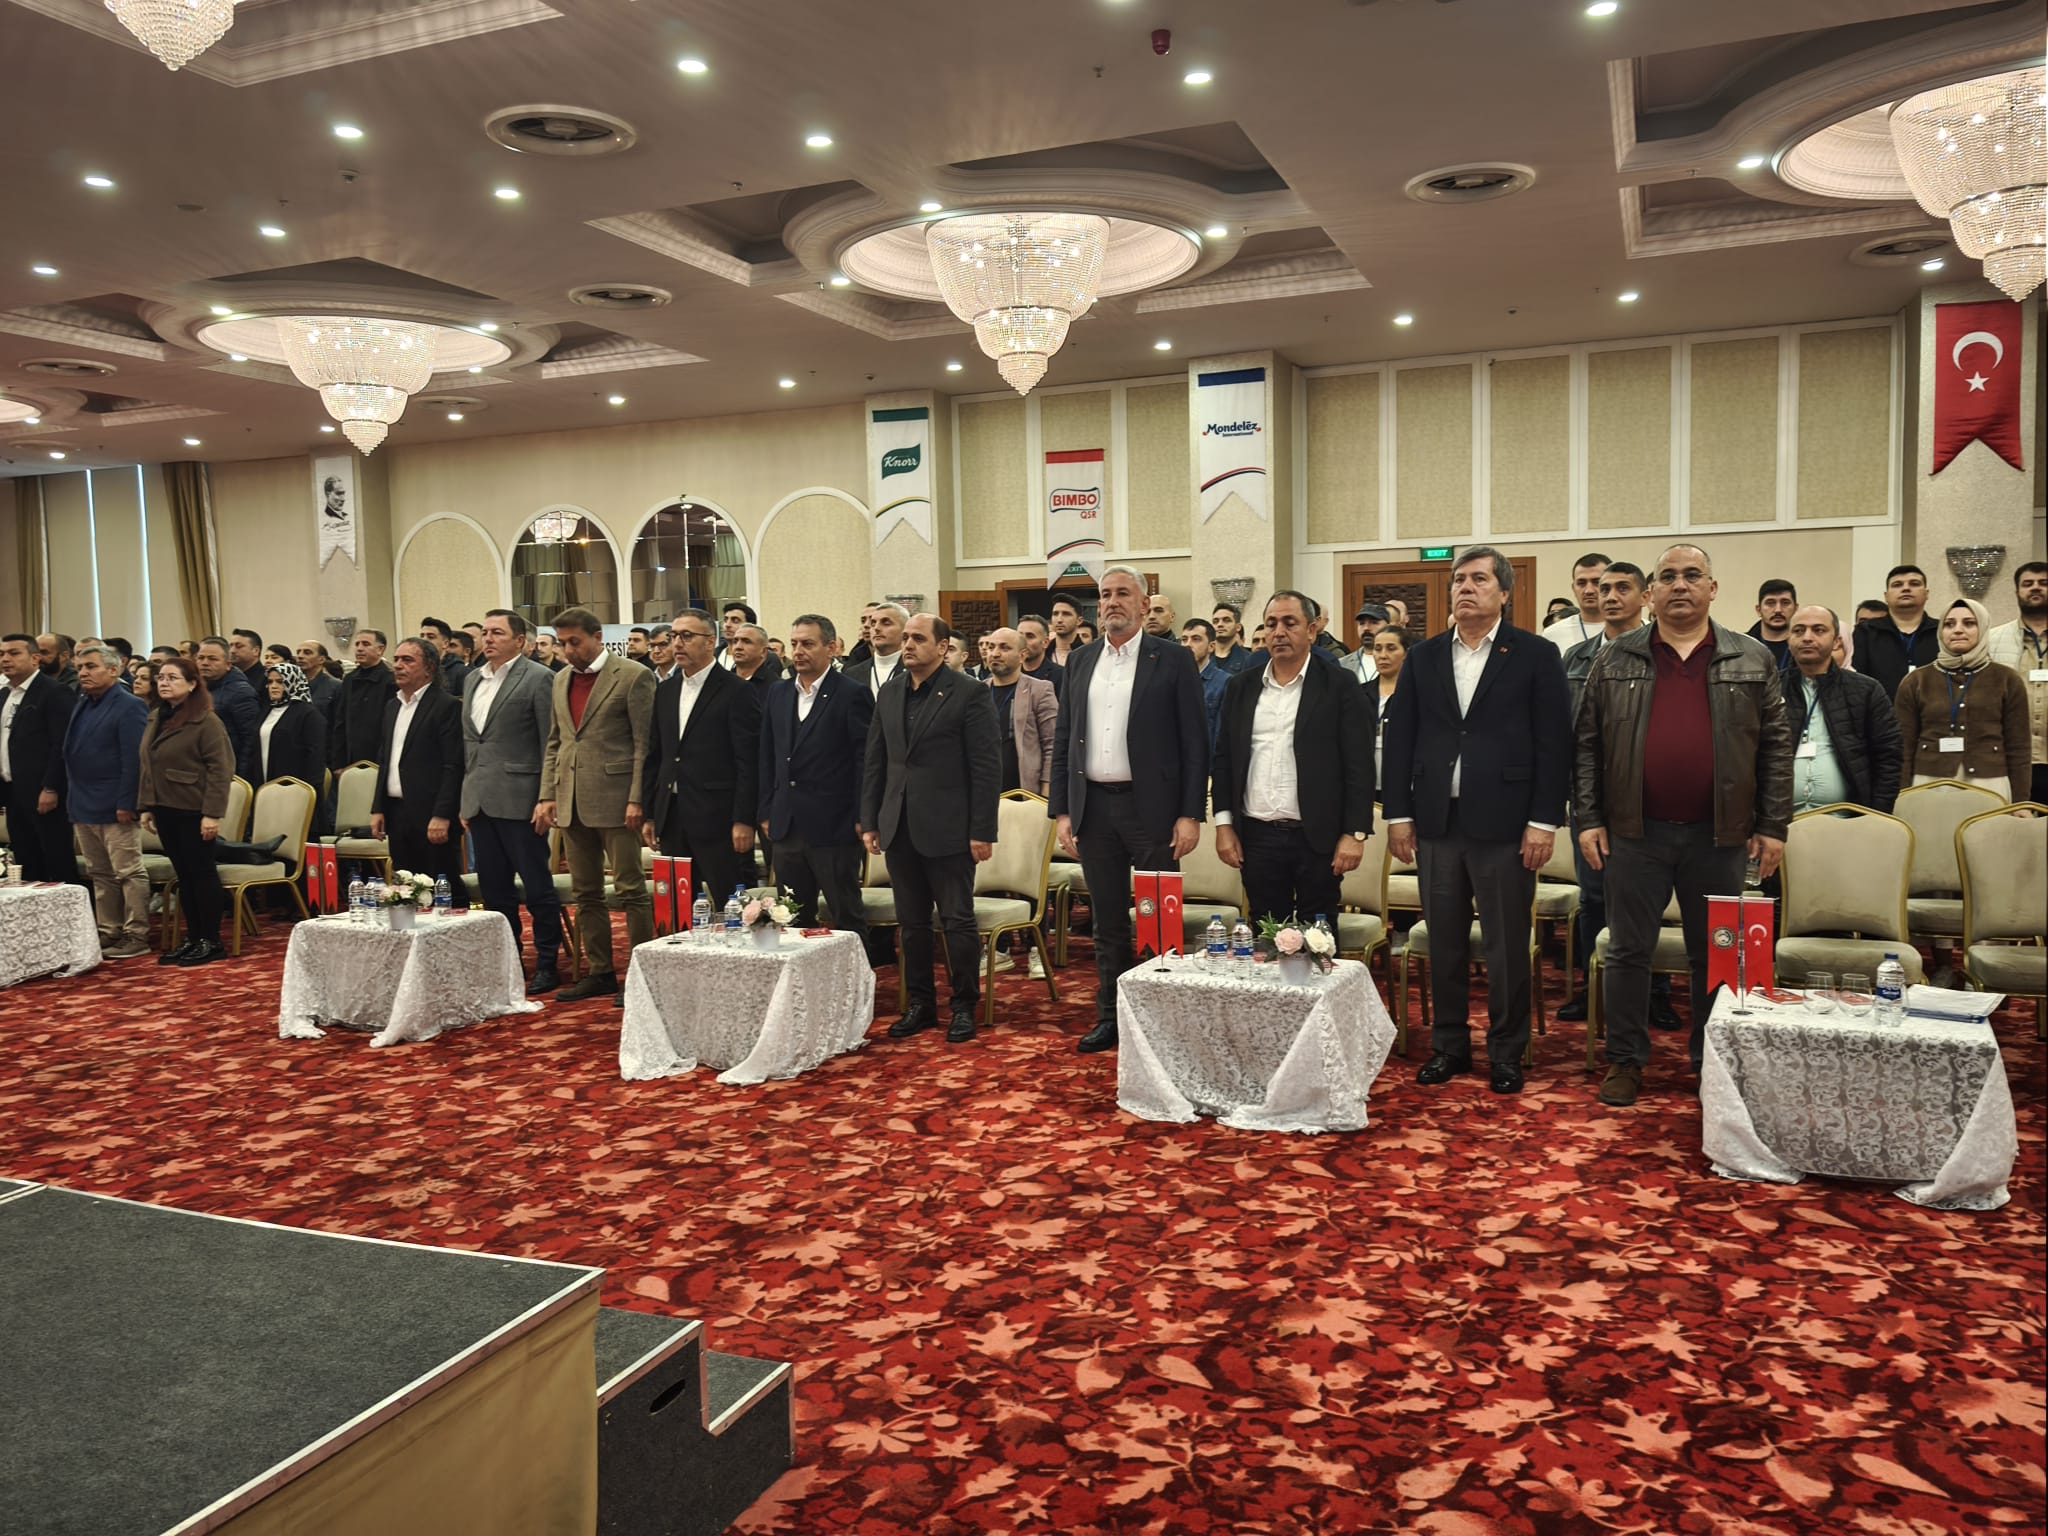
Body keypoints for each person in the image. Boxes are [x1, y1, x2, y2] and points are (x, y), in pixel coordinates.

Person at [1577, 542, 1793, 1106]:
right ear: (1652, 592)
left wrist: (1773, 825)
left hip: (1719, 835)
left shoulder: (1751, 657)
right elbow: (1587, 744)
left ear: (1712, 589)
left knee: (1717, 954)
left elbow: (1776, 747)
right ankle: (1625, 1060)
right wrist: (1589, 818)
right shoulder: (1616, 657)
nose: (1680, 585)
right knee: (1628, 951)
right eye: (1668, 576)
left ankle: (1711, 1061)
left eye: (1692, 575)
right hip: (1634, 832)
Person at [1383, 548, 1571, 1096]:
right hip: (1437, 821)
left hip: (1508, 824)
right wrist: (1399, 814)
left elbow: (1554, 743)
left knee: (1506, 945)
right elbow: (1401, 738)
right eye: (1459, 580)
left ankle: (1507, 1051)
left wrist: (1543, 821)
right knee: (1443, 941)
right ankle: (1450, 1046)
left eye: (1479, 579)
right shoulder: (1424, 657)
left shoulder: (1535, 654)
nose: (1466, 587)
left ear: (1504, 593)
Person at [1050, 566, 1209, 1054]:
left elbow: (1195, 742)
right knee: (1108, 922)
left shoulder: (1173, 659)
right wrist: (1062, 811)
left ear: (1144, 604)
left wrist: (1190, 813)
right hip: (1094, 807)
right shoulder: (1081, 660)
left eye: (1123, 593)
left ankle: (1161, 1021)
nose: (1112, 602)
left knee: (1158, 919)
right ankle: (1111, 1016)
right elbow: (1065, 738)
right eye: (1105, 595)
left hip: (1153, 810)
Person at [861, 614, 1000, 1044]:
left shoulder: (969, 692)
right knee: (912, 923)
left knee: (957, 921)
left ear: (942, 647)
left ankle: (964, 1005)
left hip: (950, 827)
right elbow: (876, 760)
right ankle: (920, 1004)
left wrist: (982, 830)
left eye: (918, 638)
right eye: (905, 638)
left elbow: (986, 766)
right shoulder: (890, 691)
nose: (908, 645)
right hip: (899, 824)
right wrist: (871, 819)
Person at [1558, 563, 1676, 1029]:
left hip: (1647, 799)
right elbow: (1565, 732)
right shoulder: (1576, 658)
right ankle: (1596, 987)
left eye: (1621, 588)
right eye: (1601, 588)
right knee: (1593, 898)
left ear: (1645, 597)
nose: (1607, 596)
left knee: (1651, 900)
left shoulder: (1663, 653)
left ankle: (1655, 991)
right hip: (1590, 798)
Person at [1212, 592, 1374, 927]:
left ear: (1312, 630)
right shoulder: (1242, 687)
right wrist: (1224, 825)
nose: (1279, 632)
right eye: (1271, 624)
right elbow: (1225, 760)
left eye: (1290, 623)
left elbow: (1359, 764)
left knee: (1319, 936)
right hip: (1256, 835)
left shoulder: (1339, 684)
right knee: (1267, 931)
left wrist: (1355, 833)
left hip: (1317, 836)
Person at [537, 607, 656, 1004]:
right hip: (571, 798)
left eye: (576, 642)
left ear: (598, 637)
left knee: (630, 889)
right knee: (585, 891)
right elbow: (556, 742)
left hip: (618, 798)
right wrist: (547, 794)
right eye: (563, 643)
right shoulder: (560, 679)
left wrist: (637, 797)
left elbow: (643, 744)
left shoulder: (633, 675)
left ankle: (641, 973)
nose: (569, 650)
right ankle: (601, 972)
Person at [461, 609, 566, 995]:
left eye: (497, 633)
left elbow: (550, 742)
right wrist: (466, 797)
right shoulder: (473, 679)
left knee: (537, 888)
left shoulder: (538, 678)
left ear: (520, 641)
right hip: (481, 800)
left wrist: (547, 796)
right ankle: (508, 961)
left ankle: (548, 963)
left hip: (523, 800)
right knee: (495, 891)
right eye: (485, 632)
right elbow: (471, 744)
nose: (488, 639)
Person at [758, 614, 875, 958]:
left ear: (832, 647)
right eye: (794, 643)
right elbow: (767, 755)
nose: (798, 651)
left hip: (834, 824)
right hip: (786, 823)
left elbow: (864, 761)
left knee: (845, 914)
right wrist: (766, 809)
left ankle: (855, 980)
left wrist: (862, 815)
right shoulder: (779, 693)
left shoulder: (851, 693)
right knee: (792, 916)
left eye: (808, 644)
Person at [644, 609, 761, 918]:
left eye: (687, 636)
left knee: (730, 904)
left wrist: (744, 819)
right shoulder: (665, 690)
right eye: (673, 636)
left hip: (718, 816)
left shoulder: (737, 691)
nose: (677, 643)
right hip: (672, 813)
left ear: (710, 642)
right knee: (677, 906)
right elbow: (656, 755)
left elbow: (748, 762)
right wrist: (650, 813)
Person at [138, 656, 234, 967]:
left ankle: (211, 940)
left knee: (201, 873)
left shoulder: (206, 720)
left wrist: (212, 814)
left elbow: (221, 769)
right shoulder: (157, 716)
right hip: (165, 807)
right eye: (161, 677)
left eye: (172, 678)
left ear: (192, 684)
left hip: (194, 808)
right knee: (184, 875)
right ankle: (193, 937)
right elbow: (148, 765)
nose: (164, 683)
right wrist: (147, 806)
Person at [1896, 597, 2032, 801]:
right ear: (1941, 631)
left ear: (1983, 628)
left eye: (1969, 623)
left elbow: (2019, 748)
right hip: (1929, 781)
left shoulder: (2007, 679)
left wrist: (2021, 802)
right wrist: (1901, 797)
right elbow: (1903, 748)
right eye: (1949, 624)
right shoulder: (1916, 681)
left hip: (1989, 782)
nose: (1958, 630)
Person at [64, 645, 151, 956]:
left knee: (128, 872)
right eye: (80, 667)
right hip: (83, 802)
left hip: (115, 803)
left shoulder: (129, 705)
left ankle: (136, 935)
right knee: (99, 873)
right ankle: (108, 929)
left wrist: (128, 802)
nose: (83, 673)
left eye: (91, 666)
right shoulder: (83, 702)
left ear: (114, 670)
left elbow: (134, 760)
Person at [370, 639, 467, 908]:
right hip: (396, 811)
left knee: (443, 889)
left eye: (408, 660)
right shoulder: (392, 706)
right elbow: (385, 760)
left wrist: (442, 814)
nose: (398, 665)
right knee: (406, 889)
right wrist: (378, 807)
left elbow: (453, 765)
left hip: (431, 813)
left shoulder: (446, 705)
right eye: (397, 659)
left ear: (429, 668)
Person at [1781, 606, 1902, 816]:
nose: (1807, 637)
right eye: (1798, 631)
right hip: (1780, 823)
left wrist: (1876, 816)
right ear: (1788, 640)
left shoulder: (1866, 690)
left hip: (1848, 820)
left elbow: (1889, 756)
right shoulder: (1770, 688)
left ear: (1837, 641)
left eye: (1818, 630)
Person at [1, 632, 77, 881]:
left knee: (55, 860)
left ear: (35, 659)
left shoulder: (54, 692)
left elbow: (61, 744)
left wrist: (51, 787)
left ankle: (67, 907)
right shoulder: (4, 694)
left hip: (44, 790)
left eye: (14, 653)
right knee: (26, 859)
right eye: (2, 654)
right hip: (12, 790)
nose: (5, 659)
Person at [1985, 560, 2048, 805]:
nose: (2036, 588)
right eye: (2028, 584)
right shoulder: (1993, 640)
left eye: (2043, 583)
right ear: (2017, 592)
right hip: (2012, 761)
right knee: (2015, 825)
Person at [1852, 564, 1940, 700]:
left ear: (1926, 594)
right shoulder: (1866, 631)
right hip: (1880, 710)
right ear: (1886, 596)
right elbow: (1858, 680)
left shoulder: (1942, 631)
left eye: (1914, 584)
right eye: (1897, 585)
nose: (1906, 588)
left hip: (1933, 709)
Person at [193, 637, 261, 784]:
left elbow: (250, 740)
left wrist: (239, 778)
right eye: (201, 658)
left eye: (212, 659)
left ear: (228, 665)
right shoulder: (194, 690)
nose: (205, 663)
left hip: (228, 774)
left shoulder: (241, 692)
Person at [330, 629, 397, 774]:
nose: (359, 648)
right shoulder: (350, 679)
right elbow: (341, 722)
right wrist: (338, 763)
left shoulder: (391, 681)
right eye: (357, 644)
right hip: (351, 757)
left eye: (366, 644)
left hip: (378, 757)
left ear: (380, 650)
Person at [258, 663, 328, 789]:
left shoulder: (308, 714)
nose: (273, 686)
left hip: (295, 786)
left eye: (280, 682)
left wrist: (307, 789)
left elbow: (315, 755)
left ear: (294, 683)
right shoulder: (267, 710)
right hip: (263, 781)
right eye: (270, 682)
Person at [1365, 626, 1409, 788]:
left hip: (1403, 784)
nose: (1383, 655)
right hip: (1366, 785)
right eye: (1378, 649)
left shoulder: (1415, 694)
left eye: (1391, 648)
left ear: (1405, 653)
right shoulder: (1359, 693)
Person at [1543, 552, 1611, 652]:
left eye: (1596, 582)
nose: (1589, 590)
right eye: (1581, 583)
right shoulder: (1552, 634)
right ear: (1573, 588)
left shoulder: (1632, 629)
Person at [1179, 618, 1228, 755]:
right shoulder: (1174, 679)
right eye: (1184, 639)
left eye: (1196, 639)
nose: (1188, 645)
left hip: (1206, 761)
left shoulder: (1225, 682)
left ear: (1211, 646)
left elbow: (1221, 736)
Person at [844, 602, 907, 698]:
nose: (876, 628)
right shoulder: (852, 674)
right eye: (873, 623)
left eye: (886, 623)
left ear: (905, 630)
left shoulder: (915, 670)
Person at [1745, 579, 1797, 672]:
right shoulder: (1741, 647)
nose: (1778, 610)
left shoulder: (1806, 646)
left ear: (1796, 609)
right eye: (1770, 603)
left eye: (1785, 603)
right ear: (1758, 610)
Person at [1016, 614, 1066, 699]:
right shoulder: (1010, 673)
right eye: (1020, 637)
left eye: (1030, 636)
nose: (1023, 642)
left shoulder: (1061, 675)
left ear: (1045, 643)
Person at [294, 641, 342, 727]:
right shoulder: (293, 686)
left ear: (321, 659)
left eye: (307, 652)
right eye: (298, 652)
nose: (300, 656)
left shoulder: (336, 687)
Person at [1208, 602, 1256, 675]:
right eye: (1215, 621)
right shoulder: (1203, 657)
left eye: (1226, 620)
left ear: (1238, 627)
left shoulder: (1249, 660)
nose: (1220, 624)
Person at [1050, 593, 1087, 667]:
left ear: (1079, 621)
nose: (1059, 620)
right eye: (1055, 614)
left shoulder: (1088, 654)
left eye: (1066, 614)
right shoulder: (1042, 653)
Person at [717, 601, 757, 668]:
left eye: (735, 620)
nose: (727, 625)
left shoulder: (763, 657)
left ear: (749, 626)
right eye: (725, 620)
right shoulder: (713, 655)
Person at [229, 629, 267, 695]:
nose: (232, 651)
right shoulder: (227, 677)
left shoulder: (267, 679)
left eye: (239, 646)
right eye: (231, 646)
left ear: (256, 651)